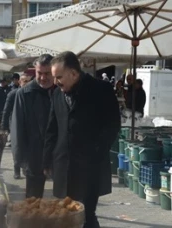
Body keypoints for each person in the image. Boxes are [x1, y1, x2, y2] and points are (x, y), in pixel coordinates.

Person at [43, 51, 120, 228]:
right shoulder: (56, 94)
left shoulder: (101, 89)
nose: (55, 82)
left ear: (74, 73)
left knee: (86, 215)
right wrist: (47, 160)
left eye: (59, 77)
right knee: (67, 214)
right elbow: (52, 129)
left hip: (90, 166)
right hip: (63, 166)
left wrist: (97, 151)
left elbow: (112, 125)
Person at [11, 54, 56, 196]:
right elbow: (17, 127)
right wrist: (20, 160)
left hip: (58, 155)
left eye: (47, 73)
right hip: (34, 155)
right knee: (32, 203)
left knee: (62, 204)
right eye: (39, 73)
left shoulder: (61, 91)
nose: (43, 78)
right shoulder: (24, 93)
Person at [1, 73, 31, 179]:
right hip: (15, 125)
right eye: (24, 81)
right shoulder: (13, 94)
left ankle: (26, 168)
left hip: (28, 125)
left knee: (27, 147)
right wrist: (4, 127)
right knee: (17, 147)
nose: (26, 83)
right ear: (19, 82)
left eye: (28, 81)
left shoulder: (31, 94)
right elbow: (6, 110)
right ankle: (16, 169)